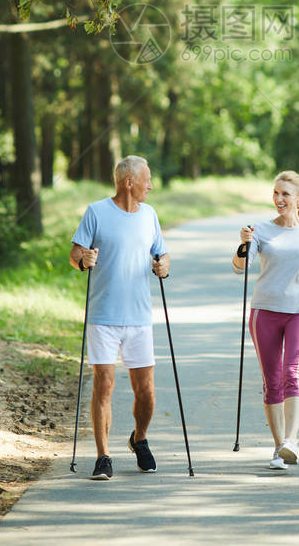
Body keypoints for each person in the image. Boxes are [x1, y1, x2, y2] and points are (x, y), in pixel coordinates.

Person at [70, 155, 170, 481]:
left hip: (139, 317)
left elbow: (162, 253)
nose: (151, 185)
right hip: (103, 316)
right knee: (105, 385)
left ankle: (139, 438)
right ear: (130, 182)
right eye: (147, 179)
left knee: (147, 392)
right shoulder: (97, 212)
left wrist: (163, 266)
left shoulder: (150, 215)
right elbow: (75, 256)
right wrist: (84, 259)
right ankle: (103, 456)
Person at [232, 170, 299, 470]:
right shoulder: (260, 230)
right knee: (272, 382)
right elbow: (240, 267)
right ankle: (278, 449)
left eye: (285, 194)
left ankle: (292, 440)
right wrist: (243, 245)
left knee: (294, 374)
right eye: (276, 193)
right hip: (265, 311)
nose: (278, 199)